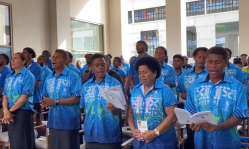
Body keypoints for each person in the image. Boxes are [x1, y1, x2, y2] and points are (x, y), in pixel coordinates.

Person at [186, 46, 248, 149]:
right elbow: (190, 111)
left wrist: (217, 127)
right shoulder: (195, 86)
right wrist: (193, 123)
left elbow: (239, 116)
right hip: (201, 141)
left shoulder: (236, 86)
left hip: (227, 141)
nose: (213, 66)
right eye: (210, 62)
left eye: (218, 62)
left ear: (225, 63)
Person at [127, 56, 178, 149]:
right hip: (140, 142)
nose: (142, 76)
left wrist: (155, 132)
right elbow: (130, 112)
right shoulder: (135, 90)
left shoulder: (164, 90)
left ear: (155, 73)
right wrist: (133, 130)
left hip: (162, 143)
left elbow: (173, 116)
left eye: (145, 72)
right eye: (139, 73)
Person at [80, 54, 123, 149]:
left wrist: (113, 108)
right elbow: (83, 107)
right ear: (91, 67)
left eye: (103, 65)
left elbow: (119, 110)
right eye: (97, 65)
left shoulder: (114, 84)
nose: (100, 67)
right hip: (90, 135)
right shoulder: (86, 86)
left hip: (109, 135)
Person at [41, 49, 81, 149]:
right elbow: (45, 94)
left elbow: (77, 98)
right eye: (53, 57)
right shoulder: (49, 77)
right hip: (53, 120)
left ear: (65, 60)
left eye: (57, 57)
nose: (53, 59)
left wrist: (55, 101)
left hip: (69, 121)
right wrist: (46, 102)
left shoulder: (73, 76)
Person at [2, 52, 36, 149]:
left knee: (23, 141)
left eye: (15, 58)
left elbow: (23, 98)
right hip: (10, 112)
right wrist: (5, 111)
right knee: (15, 141)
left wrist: (9, 111)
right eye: (12, 58)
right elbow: (5, 95)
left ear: (23, 61)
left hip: (23, 112)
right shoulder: (9, 77)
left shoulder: (28, 76)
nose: (12, 61)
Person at [177, 47, 208, 149]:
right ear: (194, 57)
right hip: (191, 112)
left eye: (204, 57)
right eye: (199, 57)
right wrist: (195, 97)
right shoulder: (185, 75)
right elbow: (182, 94)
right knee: (192, 138)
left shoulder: (210, 74)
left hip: (207, 111)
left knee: (208, 139)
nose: (202, 60)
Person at [22, 47, 42, 121]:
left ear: (30, 55)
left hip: (34, 100)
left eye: (24, 53)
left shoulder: (36, 66)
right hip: (23, 100)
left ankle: (42, 133)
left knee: (37, 121)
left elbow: (35, 85)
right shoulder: (23, 66)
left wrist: (25, 95)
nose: (22, 54)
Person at [36, 55, 52, 135]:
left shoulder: (48, 71)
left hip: (45, 96)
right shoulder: (37, 70)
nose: (39, 61)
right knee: (40, 117)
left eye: (41, 59)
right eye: (38, 59)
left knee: (43, 116)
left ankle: (44, 134)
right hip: (40, 95)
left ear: (45, 61)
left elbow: (47, 85)